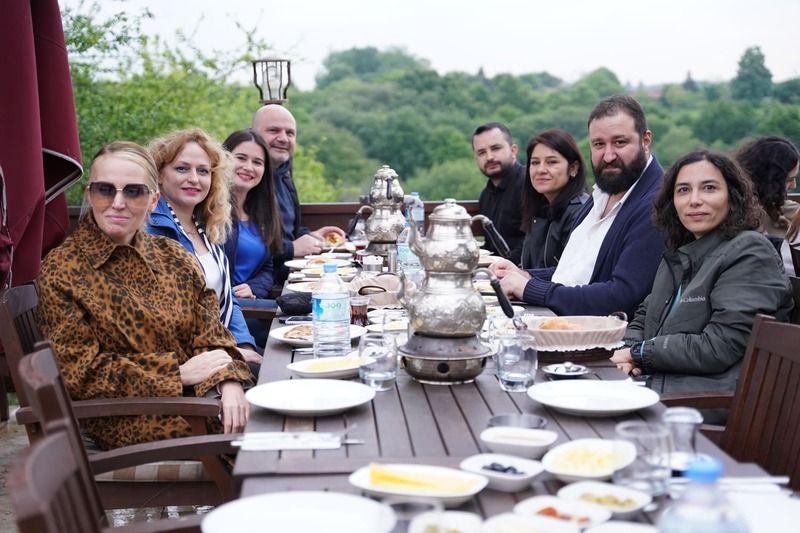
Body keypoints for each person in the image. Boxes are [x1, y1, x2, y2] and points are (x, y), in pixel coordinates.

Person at [36, 142, 253, 450]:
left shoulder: (172, 255)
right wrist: (177, 374)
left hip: (198, 402)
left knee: (282, 412)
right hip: (129, 419)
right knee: (271, 435)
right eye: (104, 190)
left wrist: (229, 382)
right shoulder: (64, 269)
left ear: (153, 200)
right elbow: (79, 372)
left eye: (133, 192)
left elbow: (212, 334)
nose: (118, 203)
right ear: (90, 194)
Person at [610, 150, 792, 422]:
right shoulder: (682, 253)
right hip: (662, 384)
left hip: (714, 402)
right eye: (683, 190)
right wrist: (628, 356)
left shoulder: (750, 252)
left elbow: (719, 345)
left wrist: (639, 353)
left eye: (709, 188)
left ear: (733, 196)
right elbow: (643, 318)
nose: (694, 200)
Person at [490, 95, 665, 318]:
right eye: (599, 144)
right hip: (568, 321)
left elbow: (622, 297)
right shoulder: (604, 192)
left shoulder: (656, 203)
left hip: (606, 334)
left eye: (620, 142)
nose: (608, 156)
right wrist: (525, 275)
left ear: (645, 140)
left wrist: (529, 288)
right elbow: (576, 271)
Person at [147, 128, 262, 368]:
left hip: (223, 345)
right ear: (159, 175)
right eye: (182, 169)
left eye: (203, 171)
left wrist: (245, 344)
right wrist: (231, 352)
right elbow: (169, 318)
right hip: (188, 360)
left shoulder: (206, 225)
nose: (194, 179)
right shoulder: (150, 229)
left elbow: (227, 298)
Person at [252, 104, 345, 283]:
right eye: (273, 130)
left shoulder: (283, 175)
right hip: (263, 285)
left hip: (289, 274)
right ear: (253, 134)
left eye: (290, 133)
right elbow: (247, 249)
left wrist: (312, 235)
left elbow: (287, 231)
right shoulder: (247, 182)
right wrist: (292, 248)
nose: (283, 138)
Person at [222, 129, 283, 346]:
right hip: (226, 316)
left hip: (253, 308)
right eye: (241, 158)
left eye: (257, 162)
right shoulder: (210, 213)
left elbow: (268, 266)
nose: (249, 167)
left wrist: (254, 287)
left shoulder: (261, 213)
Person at [520, 129, 590, 269]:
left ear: (573, 168)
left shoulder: (581, 212)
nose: (541, 170)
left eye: (551, 162)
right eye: (535, 163)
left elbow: (571, 273)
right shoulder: (540, 208)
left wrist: (524, 276)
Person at [735, 135, 800, 274]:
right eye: (789, 180)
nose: (794, 185)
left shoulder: (772, 203)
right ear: (771, 180)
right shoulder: (744, 214)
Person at [472, 122, 526, 264]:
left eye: (495, 148)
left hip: (524, 271)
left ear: (513, 150)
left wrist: (505, 266)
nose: (489, 157)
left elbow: (535, 240)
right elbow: (491, 246)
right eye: (481, 152)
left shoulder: (530, 184)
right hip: (494, 270)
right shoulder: (486, 195)